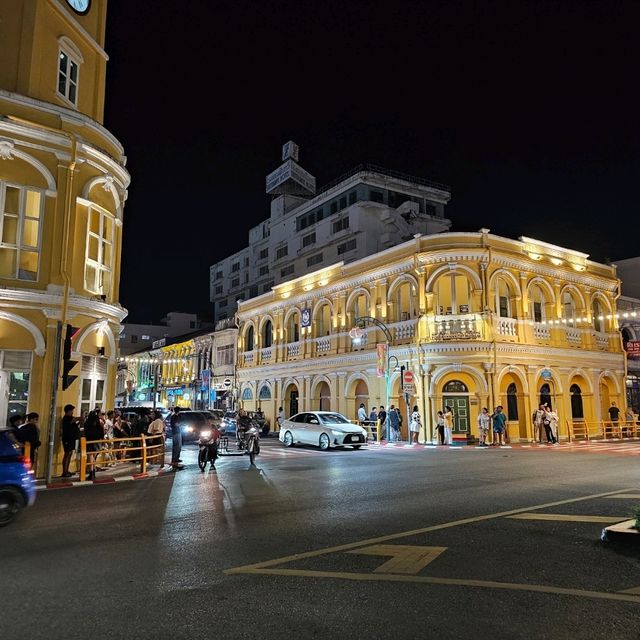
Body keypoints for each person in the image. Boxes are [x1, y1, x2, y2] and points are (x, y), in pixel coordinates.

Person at [60, 404, 81, 477]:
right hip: (67, 439)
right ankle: (64, 472)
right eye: (71, 410)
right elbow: (75, 419)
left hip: (71, 439)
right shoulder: (66, 418)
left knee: (70, 454)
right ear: (68, 411)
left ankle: (67, 470)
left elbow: (74, 423)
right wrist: (82, 417)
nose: (72, 412)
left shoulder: (69, 418)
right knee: (67, 454)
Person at [83, 409, 104, 479]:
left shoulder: (87, 422)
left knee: (90, 457)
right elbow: (102, 431)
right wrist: (101, 438)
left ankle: (91, 472)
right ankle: (93, 472)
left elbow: (85, 432)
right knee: (94, 457)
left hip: (89, 441)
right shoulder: (98, 422)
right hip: (97, 441)